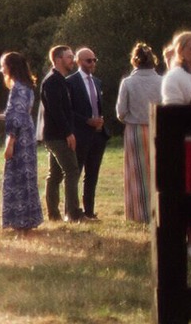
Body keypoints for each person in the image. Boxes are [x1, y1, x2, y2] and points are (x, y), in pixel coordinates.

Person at [161, 31, 191, 256]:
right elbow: (172, 114)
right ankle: (190, 241)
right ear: (181, 52)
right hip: (186, 144)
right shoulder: (174, 78)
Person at [116, 42, 161, 224]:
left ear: (135, 61)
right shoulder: (162, 81)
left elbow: (121, 112)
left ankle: (139, 213)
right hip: (158, 129)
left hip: (135, 130)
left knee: (136, 173)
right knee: (156, 171)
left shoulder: (128, 82)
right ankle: (157, 210)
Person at [0, 52, 43, 233]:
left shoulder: (17, 88)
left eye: (3, 66)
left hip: (19, 138)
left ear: (11, 67)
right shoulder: (27, 87)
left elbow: (16, 119)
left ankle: (20, 221)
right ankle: (29, 218)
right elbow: (19, 114)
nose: (1, 70)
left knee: (17, 178)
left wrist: (10, 144)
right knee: (27, 177)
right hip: (28, 135)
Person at [39, 45, 82, 222]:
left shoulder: (61, 80)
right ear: (58, 59)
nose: (73, 60)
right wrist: (68, 133)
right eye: (69, 57)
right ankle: (72, 214)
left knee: (55, 175)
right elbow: (56, 111)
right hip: (56, 136)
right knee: (72, 170)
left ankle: (54, 215)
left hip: (56, 135)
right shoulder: (52, 82)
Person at [67, 47, 109, 219]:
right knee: (76, 173)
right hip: (80, 134)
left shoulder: (97, 82)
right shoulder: (71, 82)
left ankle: (90, 211)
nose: (92, 63)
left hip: (98, 134)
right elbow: (68, 110)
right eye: (88, 60)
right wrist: (86, 120)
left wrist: (100, 121)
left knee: (92, 174)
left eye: (94, 60)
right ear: (78, 61)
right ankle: (72, 211)